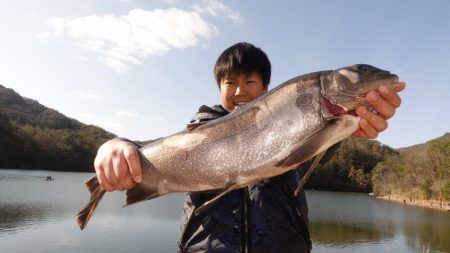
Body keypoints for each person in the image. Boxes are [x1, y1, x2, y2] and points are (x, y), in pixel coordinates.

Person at [94, 42, 405, 253]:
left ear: (267, 88)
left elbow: (319, 145)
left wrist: (353, 124)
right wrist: (116, 145)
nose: (240, 90)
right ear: (219, 89)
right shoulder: (198, 132)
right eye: (230, 83)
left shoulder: (299, 121)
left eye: (250, 82)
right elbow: (154, 149)